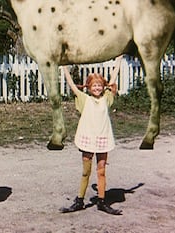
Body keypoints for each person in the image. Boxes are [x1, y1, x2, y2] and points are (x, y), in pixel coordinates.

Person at [60, 57, 123, 215]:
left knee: (101, 171)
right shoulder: (84, 99)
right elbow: (72, 85)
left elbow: (113, 77)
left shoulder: (106, 99)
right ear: (89, 87)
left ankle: (101, 201)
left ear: (103, 87)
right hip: (88, 139)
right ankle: (79, 200)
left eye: (99, 85)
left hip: (103, 139)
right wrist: (64, 66)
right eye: (94, 85)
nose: (97, 88)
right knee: (85, 172)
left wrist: (119, 60)